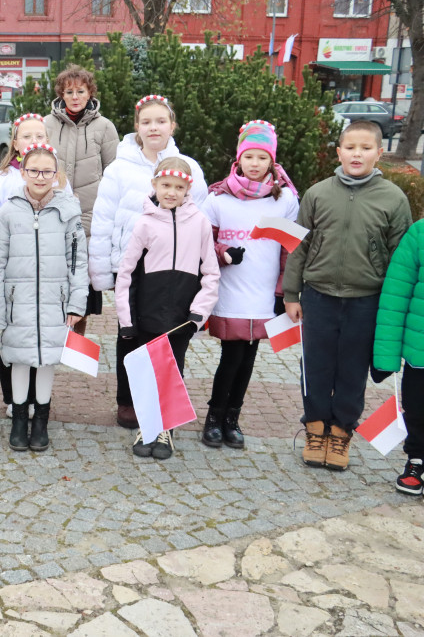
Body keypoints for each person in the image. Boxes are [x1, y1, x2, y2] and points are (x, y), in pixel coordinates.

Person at [284, 120, 412, 471]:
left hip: (366, 301)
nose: (357, 154)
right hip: (319, 297)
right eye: (350, 147)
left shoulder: (393, 199)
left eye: (366, 148)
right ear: (338, 151)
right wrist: (291, 293)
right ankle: (315, 429)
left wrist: (392, 309)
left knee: (352, 372)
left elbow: (399, 257)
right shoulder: (318, 193)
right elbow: (299, 246)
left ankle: (341, 434)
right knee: (316, 367)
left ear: (379, 153)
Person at [90, 95, 207, 430]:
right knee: (129, 334)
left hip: (172, 270)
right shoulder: (119, 168)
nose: (153, 127)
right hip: (130, 268)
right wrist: (101, 272)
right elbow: (102, 220)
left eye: (160, 121)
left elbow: (198, 220)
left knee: (167, 334)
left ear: (172, 125)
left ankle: (162, 401)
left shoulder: (189, 168)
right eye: (146, 122)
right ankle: (127, 400)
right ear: (137, 128)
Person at [200, 121, 299, 450]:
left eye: (262, 157)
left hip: (262, 293)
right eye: (249, 157)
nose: (255, 164)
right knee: (230, 357)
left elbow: (289, 251)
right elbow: (200, 245)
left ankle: (233, 419)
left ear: (272, 161)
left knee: (248, 359)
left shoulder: (284, 200)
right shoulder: (218, 198)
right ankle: (214, 417)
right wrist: (223, 252)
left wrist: (283, 292)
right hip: (229, 293)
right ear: (238, 158)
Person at [115, 159, 219, 460]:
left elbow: (211, 273)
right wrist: (127, 319)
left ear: (188, 189)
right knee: (148, 372)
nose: (171, 192)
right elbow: (126, 273)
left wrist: (198, 315)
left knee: (172, 372)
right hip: (148, 313)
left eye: (178, 187)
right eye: (166, 186)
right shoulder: (144, 223)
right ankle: (148, 426)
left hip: (181, 318)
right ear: (155, 186)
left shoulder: (199, 222)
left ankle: (166, 430)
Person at [0, 143, 87, 452]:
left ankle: (41, 419)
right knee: (18, 358)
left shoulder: (68, 211)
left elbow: (78, 261)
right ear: (24, 172)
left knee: (47, 359)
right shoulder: (8, 211)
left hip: (54, 299)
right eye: (34, 170)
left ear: (56, 174)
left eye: (47, 171)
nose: (41, 176)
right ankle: (20, 417)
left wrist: (76, 303)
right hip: (17, 300)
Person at [0, 113, 48, 420]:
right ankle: (13, 397)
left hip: (47, 274)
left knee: (41, 333)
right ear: (15, 142)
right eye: (27, 136)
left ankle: (38, 395)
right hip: (12, 273)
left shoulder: (56, 177)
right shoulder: (1, 181)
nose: (34, 141)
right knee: (13, 336)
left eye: (40, 136)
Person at [44, 65, 119, 330]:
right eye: (69, 91)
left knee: (82, 282)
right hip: (53, 211)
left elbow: (114, 171)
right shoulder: (47, 124)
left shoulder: (104, 127)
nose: (75, 96)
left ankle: (76, 341)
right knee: (53, 278)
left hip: (89, 213)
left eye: (80, 91)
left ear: (89, 94)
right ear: (61, 95)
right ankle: (52, 335)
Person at [374, 217, 424, 495]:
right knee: (417, 409)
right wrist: (386, 355)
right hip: (421, 349)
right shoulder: (419, 233)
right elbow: (396, 294)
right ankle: (416, 461)